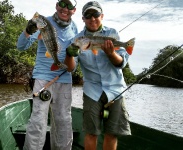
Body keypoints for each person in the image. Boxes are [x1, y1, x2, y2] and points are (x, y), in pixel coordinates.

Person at [65, 1, 131, 150]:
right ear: (83, 18)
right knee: (91, 132)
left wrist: (111, 53)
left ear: (102, 16)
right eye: (88, 15)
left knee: (112, 133)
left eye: (95, 14)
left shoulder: (112, 33)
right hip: (92, 92)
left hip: (115, 92)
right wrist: (69, 55)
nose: (92, 18)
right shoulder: (77, 40)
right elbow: (70, 69)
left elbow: (121, 63)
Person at [16, 0, 78, 149]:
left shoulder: (75, 28)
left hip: (64, 79)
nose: (65, 8)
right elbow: (21, 46)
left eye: (69, 6)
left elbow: (72, 68)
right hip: (43, 78)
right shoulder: (44, 22)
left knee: (63, 121)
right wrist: (28, 30)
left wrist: (70, 55)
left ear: (74, 10)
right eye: (62, 4)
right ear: (56, 6)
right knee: (37, 120)